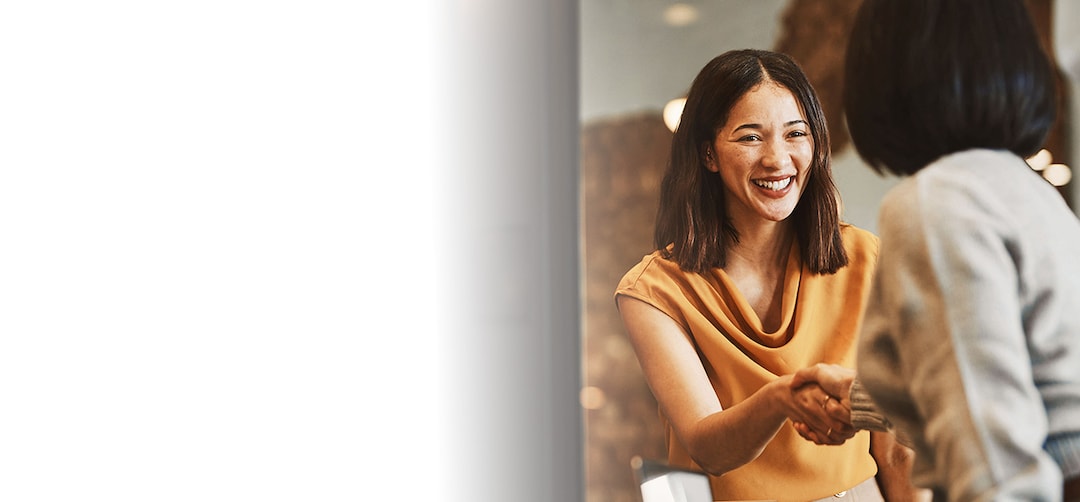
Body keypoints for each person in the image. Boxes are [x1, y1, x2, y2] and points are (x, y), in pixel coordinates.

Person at [614, 49, 920, 502]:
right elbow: (707, 445)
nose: (778, 159)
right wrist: (783, 398)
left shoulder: (865, 257)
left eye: (796, 134)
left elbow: (896, 449)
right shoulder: (652, 291)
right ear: (708, 153)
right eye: (750, 138)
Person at [835, 0, 1080, 500]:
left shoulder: (935, 204)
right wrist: (854, 397)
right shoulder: (1027, 190)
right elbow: (1014, 368)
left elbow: (991, 452)